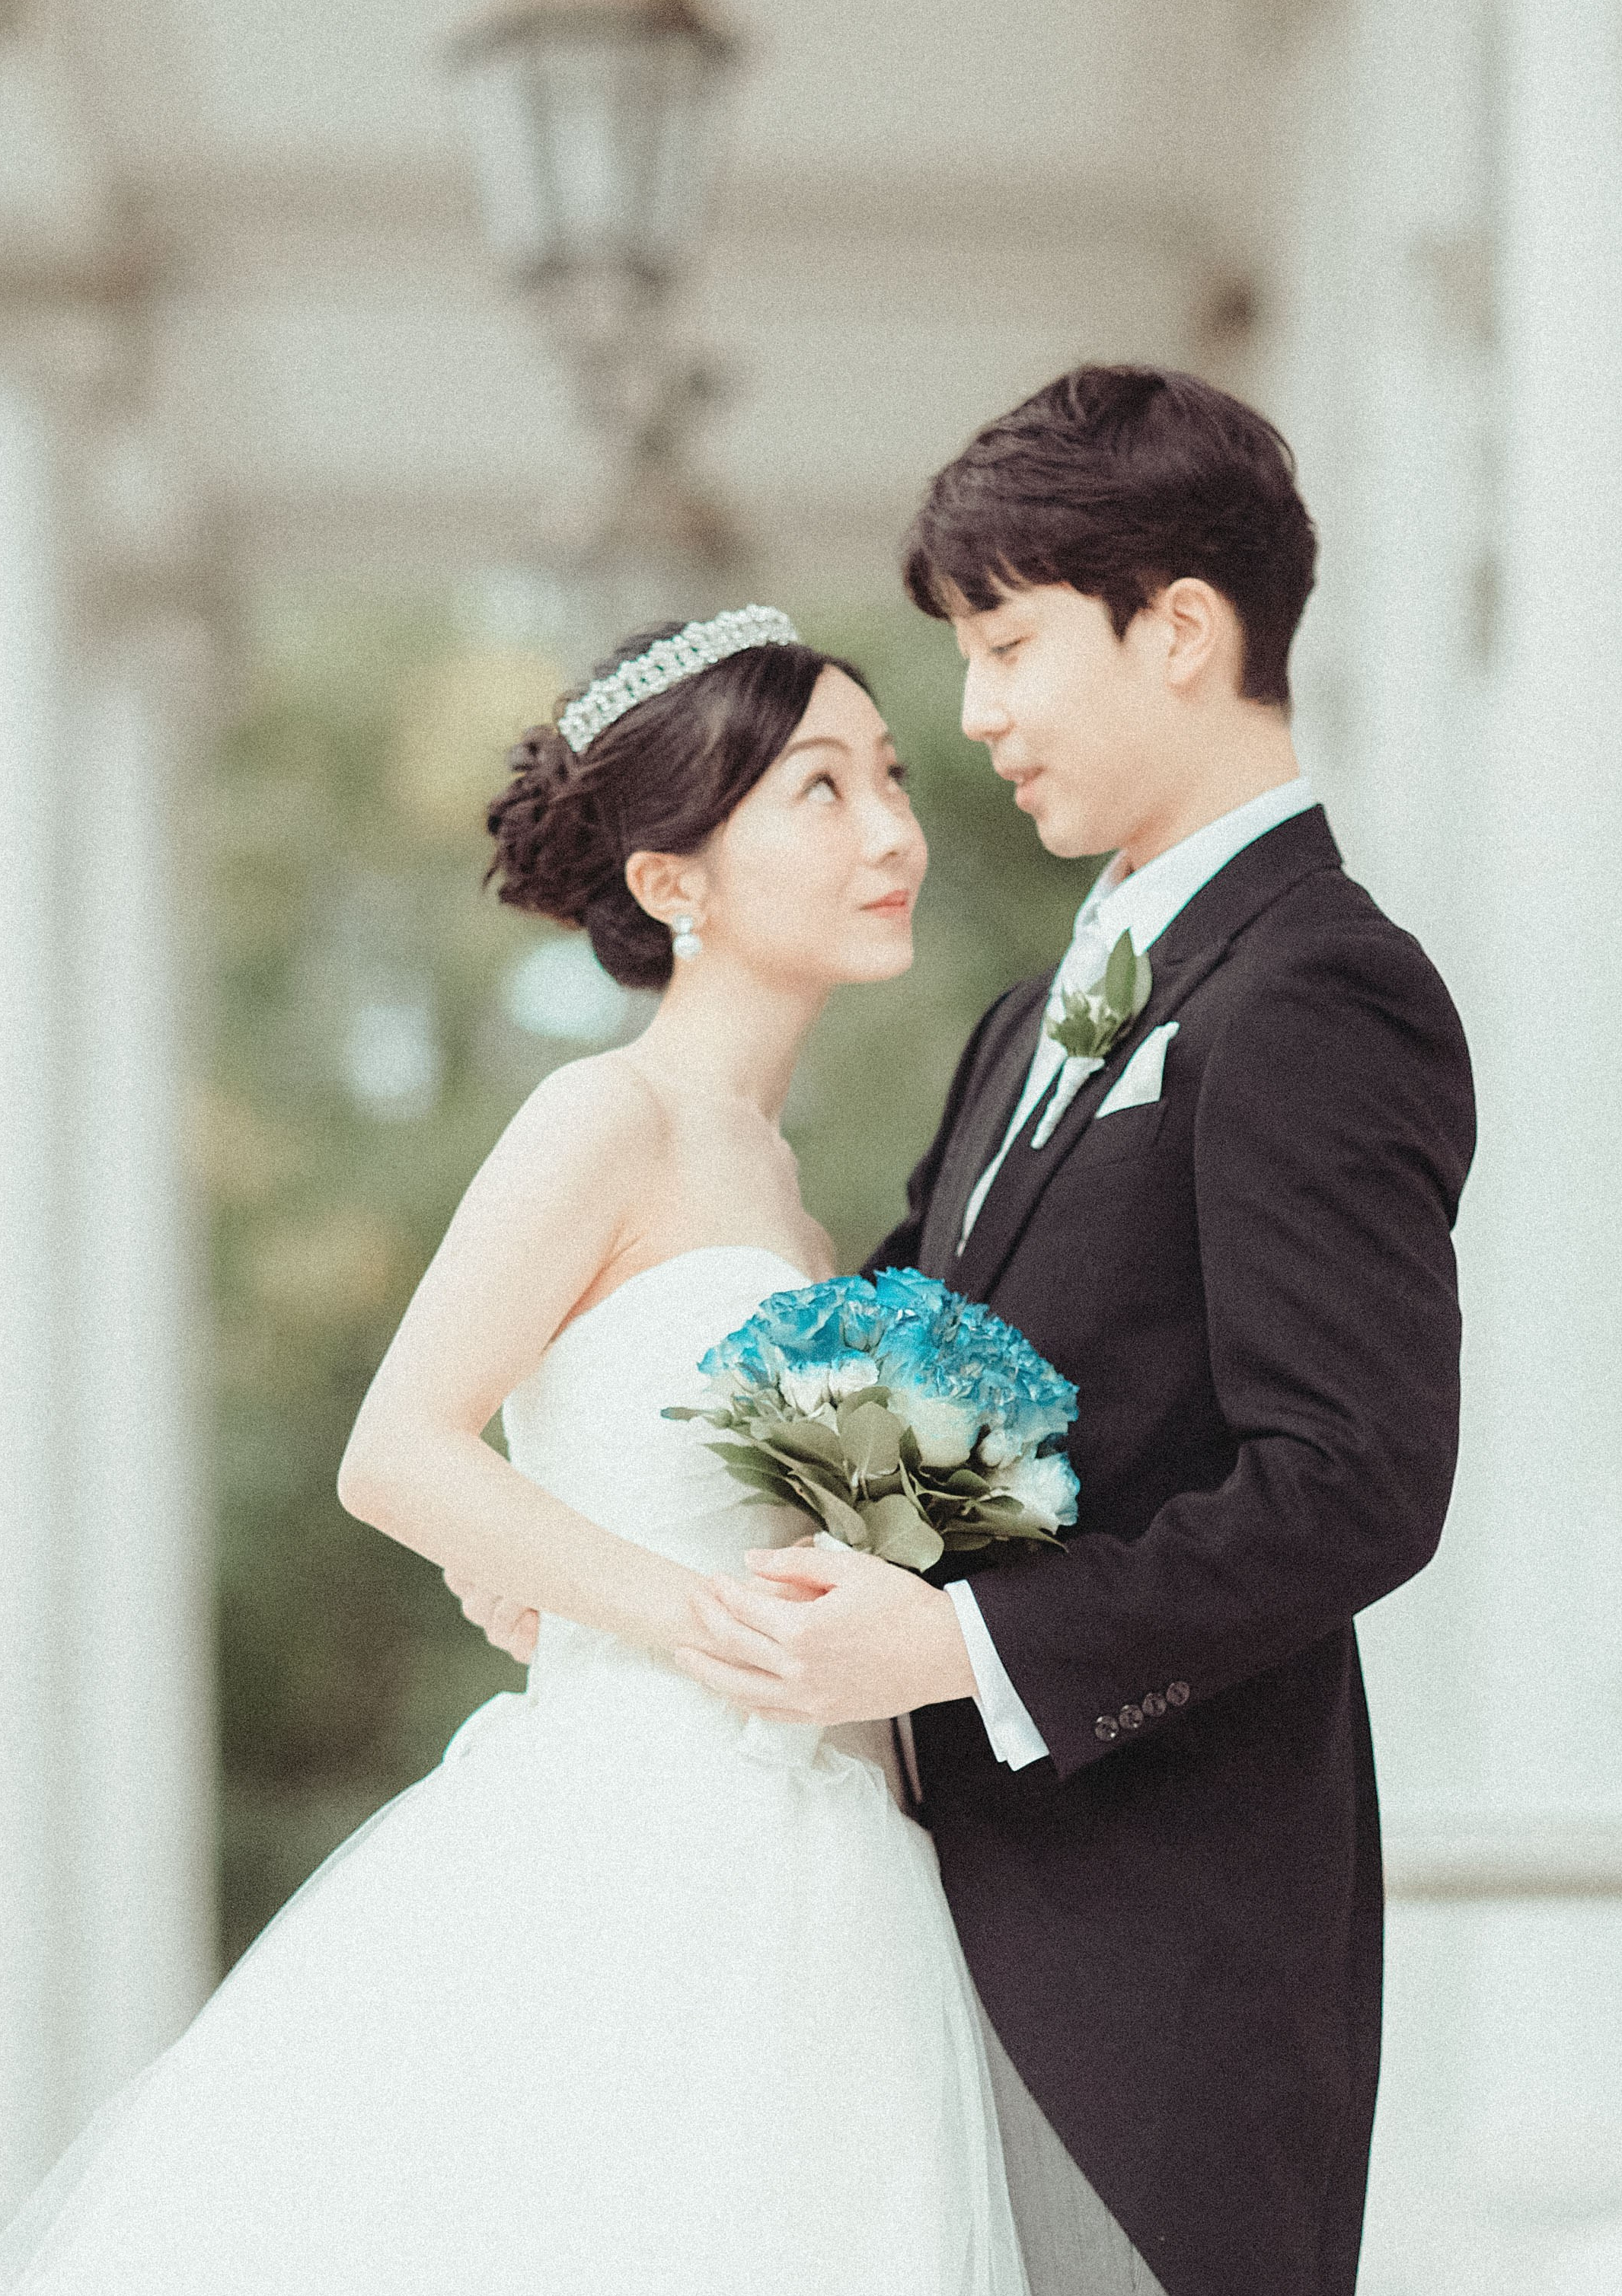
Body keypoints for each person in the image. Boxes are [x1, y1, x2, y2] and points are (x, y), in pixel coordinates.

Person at [0, 610, 1030, 2296]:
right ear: (675, 880)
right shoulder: (601, 1120)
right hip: (637, 1845)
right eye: (818, 793)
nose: (892, 832)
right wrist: (695, 1619)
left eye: (890, 781)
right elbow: (398, 1449)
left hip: (833, 1873)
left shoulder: (791, 1194)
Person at [563, 368, 1477, 2296]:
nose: (970, 717)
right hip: (917, 1935)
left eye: (1002, 647)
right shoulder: (1026, 1015)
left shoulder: (1319, 993)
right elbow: (880, 1382)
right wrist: (637, 1557)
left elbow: (1354, 1485)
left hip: (1165, 1969)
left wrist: (966, 1641)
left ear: (1176, 630)